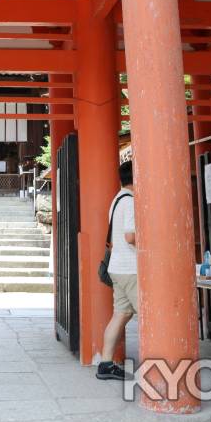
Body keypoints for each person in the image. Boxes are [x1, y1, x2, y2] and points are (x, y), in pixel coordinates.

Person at [96, 160, 136, 380]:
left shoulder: (117, 199)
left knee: (121, 314)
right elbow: (131, 236)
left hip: (116, 267)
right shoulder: (130, 202)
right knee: (149, 315)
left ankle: (106, 363)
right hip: (131, 268)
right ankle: (159, 367)